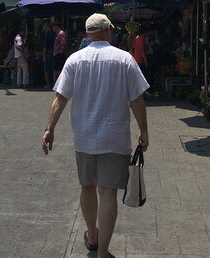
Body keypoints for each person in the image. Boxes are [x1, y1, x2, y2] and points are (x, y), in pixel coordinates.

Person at [42, 13, 149, 258]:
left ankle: (92, 234)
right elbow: (136, 99)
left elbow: (60, 97)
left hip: (84, 137)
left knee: (87, 187)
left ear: (87, 34)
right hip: (115, 137)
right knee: (108, 192)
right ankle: (103, 252)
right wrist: (144, 131)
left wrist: (49, 129)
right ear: (109, 30)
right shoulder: (124, 59)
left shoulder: (75, 60)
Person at [42, 21, 57, 88]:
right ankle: (55, 83)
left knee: (46, 69)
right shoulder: (55, 33)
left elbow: (45, 46)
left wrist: (44, 56)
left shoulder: (47, 35)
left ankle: (48, 83)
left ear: (46, 28)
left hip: (48, 53)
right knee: (54, 69)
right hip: (55, 52)